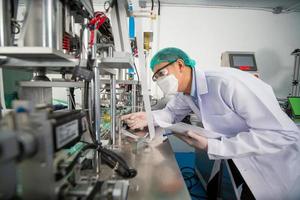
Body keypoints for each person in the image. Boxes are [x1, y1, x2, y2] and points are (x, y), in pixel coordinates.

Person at [121, 47, 300, 199]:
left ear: (180, 65)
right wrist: (146, 117)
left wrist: (212, 146)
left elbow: (281, 134)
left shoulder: (226, 83)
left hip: (275, 166)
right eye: (156, 77)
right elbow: (170, 113)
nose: (160, 80)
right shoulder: (185, 93)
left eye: (162, 74)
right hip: (243, 158)